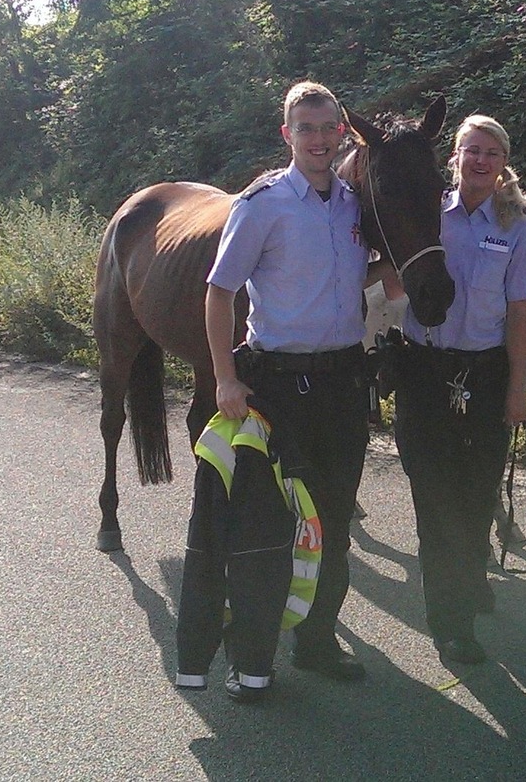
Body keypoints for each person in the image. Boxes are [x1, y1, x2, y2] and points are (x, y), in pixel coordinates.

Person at [175, 80, 372, 702]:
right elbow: (220, 292)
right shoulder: (262, 204)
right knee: (263, 529)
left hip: (342, 383)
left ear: (343, 133)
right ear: (287, 136)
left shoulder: (355, 204)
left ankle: (317, 641)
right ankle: (248, 655)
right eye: (305, 129)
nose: (318, 140)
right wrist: (224, 378)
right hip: (276, 384)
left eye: (328, 128)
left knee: (333, 519)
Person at [392, 115, 526, 666]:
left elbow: (518, 314)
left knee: (478, 494)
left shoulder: (518, 226)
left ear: (503, 161)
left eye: (490, 152)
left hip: (483, 377)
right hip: (423, 374)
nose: (479, 160)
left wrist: (515, 389)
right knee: (435, 500)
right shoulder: (423, 212)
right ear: (453, 158)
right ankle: (450, 621)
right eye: (469, 150)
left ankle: (468, 582)